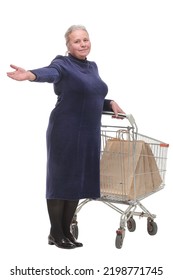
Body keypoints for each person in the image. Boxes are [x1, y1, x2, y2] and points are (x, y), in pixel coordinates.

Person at [7, 24, 125, 249]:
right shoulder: (62, 64)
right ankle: (55, 232)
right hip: (66, 130)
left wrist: (109, 103)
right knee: (61, 180)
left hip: (89, 133)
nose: (82, 44)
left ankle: (66, 232)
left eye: (85, 40)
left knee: (77, 180)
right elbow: (50, 74)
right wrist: (31, 75)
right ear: (68, 46)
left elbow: (90, 96)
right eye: (77, 41)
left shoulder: (92, 67)